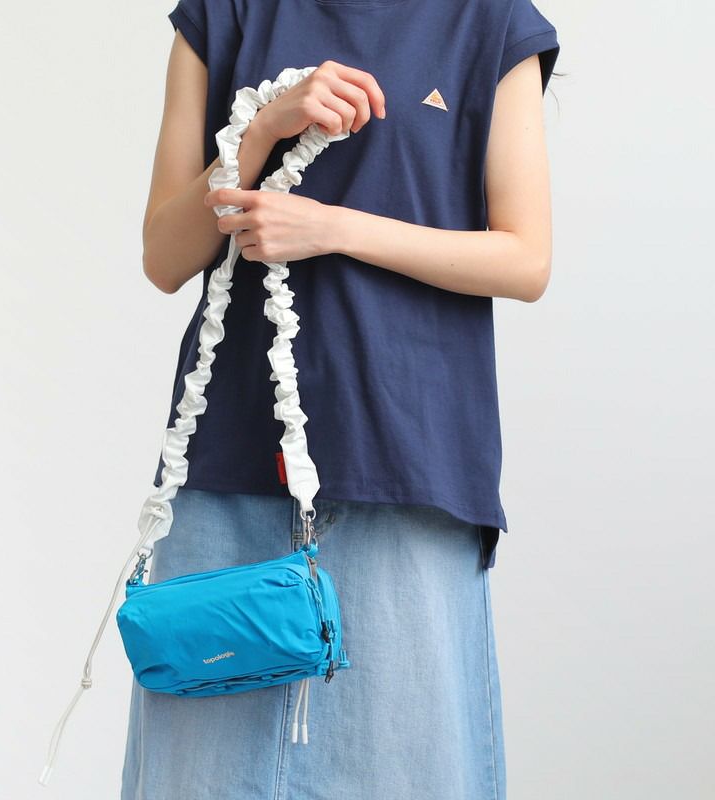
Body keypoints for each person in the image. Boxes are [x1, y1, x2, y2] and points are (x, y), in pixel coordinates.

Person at [123, 1, 560, 798]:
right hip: (231, 463)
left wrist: (332, 228)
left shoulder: (489, 21)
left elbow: (525, 259)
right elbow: (164, 254)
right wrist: (260, 131)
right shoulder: (224, 15)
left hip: (408, 460)